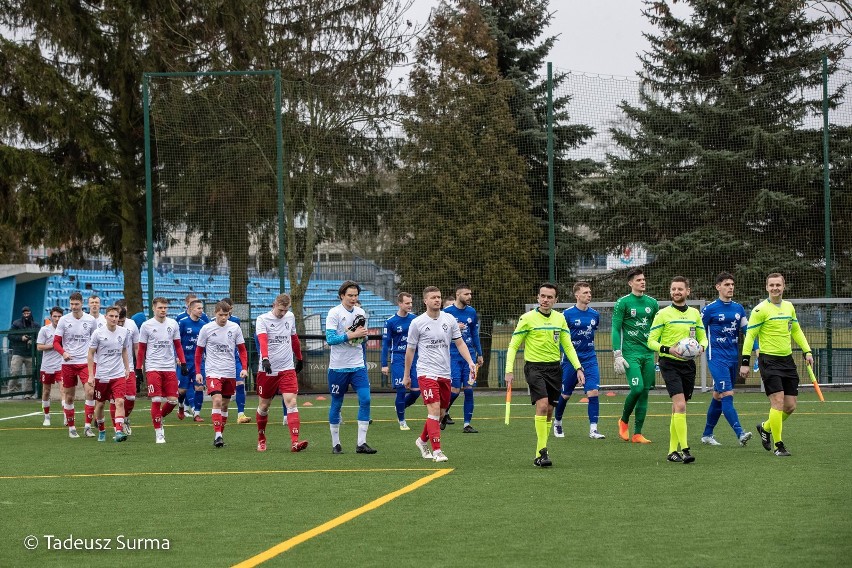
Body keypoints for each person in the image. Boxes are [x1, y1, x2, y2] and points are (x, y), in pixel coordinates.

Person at [505, 283, 585, 467]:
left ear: (556, 300)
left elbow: (568, 345)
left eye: (550, 297)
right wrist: (508, 370)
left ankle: (541, 452)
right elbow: (513, 345)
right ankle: (542, 452)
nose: (545, 300)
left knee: (549, 410)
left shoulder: (560, 319)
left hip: (554, 369)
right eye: (542, 296)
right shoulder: (527, 318)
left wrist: (578, 368)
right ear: (537, 297)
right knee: (541, 406)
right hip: (534, 368)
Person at [739, 273, 814, 457]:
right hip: (768, 360)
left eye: (778, 285)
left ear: (783, 286)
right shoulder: (759, 310)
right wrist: (745, 362)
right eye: (771, 285)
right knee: (778, 401)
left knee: (790, 406)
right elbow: (749, 337)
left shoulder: (789, 307)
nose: (775, 288)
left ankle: (765, 427)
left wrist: (807, 351)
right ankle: (778, 445)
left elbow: (795, 330)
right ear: (766, 287)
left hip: (787, 361)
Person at [405, 286, 476, 463]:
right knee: (434, 410)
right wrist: (407, 375)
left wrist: (470, 361)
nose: (437, 300)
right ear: (425, 301)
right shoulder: (417, 322)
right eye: (433, 297)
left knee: (442, 413)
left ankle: (421, 441)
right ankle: (437, 451)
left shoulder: (449, 319)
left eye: (438, 297)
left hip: (445, 373)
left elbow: (459, 343)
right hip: (426, 373)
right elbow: (410, 351)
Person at [647, 277, 708, 464]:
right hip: (669, 363)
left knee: (679, 408)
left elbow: (703, 337)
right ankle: (686, 449)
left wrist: (701, 348)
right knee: (680, 405)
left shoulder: (695, 314)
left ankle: (672, 451)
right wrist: (668, 349)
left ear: (687, 291)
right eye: (673, 289)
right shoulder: (662, 314)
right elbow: (651, 341)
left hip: (688, 365)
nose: (676, 292)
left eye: (680, 289)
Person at [700, 272, 753, 447]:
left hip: (732, 358)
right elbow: (698, 330)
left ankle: (707, 434)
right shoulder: (709, 309)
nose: (730, 287)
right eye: (727, 284)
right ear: (718, 287)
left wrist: (757, 349)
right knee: (727, 395)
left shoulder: (738, 309)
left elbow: (748, 332)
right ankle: (740, 433)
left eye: (732, 284)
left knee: (718, 395)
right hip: (716, 357)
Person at [325, 280, 376, 454]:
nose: (353, 298)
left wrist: (362, 337)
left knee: (366, 399)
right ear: (342, 296)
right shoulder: (334, 313)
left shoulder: (361, 312)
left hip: (358, 366)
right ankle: (336, 444)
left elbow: (363, 338)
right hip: (338, 367)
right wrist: (351, 334)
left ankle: (361, 443)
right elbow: (330, 339)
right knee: (337, 404)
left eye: (356, 295)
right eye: (350, 295)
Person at [254, 294, 307, 452]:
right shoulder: (262, 319)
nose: (283, 313)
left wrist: (299, 357)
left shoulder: (290, 317)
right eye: (280, 310)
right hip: (267, 369)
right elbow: (263, 339)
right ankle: (261, 438)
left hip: (287, 368)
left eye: (286, 310)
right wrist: (265, 358)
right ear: (274, 305)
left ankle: (295, 442)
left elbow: (294, 338)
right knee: (264, 405)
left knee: (291, 402)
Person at [553, 282, 606, 439]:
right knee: (565, 394)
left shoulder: (594, 315)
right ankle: (557, 422)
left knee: (593, 391)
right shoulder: (566, 315)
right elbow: (561, 339)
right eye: (585, 292)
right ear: (577, 295)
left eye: (589, 292)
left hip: (589, 357)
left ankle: (593, 429)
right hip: (570, 359)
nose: (589, 295)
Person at [612, 268, 658, 444]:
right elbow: (615, 329)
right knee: (637, 389)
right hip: (630, 354)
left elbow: (657, 328)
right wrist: (617, 353)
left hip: (648, 353)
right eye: (638, 280)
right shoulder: (623, 303)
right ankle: (623, 421)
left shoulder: (652, 303)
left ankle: (638, 433)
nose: (642, 282)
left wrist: (659, 350)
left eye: (643, 279)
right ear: (630, 283)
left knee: (645, 392)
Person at [196, 301, 248, 448]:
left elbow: (242, 350)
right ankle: (218, 434)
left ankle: (219, 435)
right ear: (215, 313)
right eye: (221, 315)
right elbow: (199, 352)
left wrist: (244, 368)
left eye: (226, 315)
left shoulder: (235, 327)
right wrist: (199, 372)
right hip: (213, 371)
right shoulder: (206, 329)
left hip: (230, 371)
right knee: (217, 401)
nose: (224, 318)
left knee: (224, 405)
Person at [137, 297, 188, 444]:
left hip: (169, 367)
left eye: (165, 307)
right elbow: (141, 349)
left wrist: (183, 363)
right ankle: (159, 433)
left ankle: (158, 418)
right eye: (160, 307)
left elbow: (178, 345)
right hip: (153, 367)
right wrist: (139, 368)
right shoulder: (146, 326)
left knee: (173, 400)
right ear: (154, 308)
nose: (163, 310)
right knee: (156, 399)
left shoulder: (173, 324)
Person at [53, 292, 97, 438]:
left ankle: (87, 426)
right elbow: (56, 342)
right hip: (68, 364)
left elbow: (95, 341)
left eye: (76, 304)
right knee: (69, 397)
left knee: (90, 392)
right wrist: (63, 353)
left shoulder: (90, 320)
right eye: (71, 304)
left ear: (82, 304)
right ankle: (71, 427)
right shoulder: (64, 320)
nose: (74, 307)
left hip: (85, 362)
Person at [441, 284, 484, 433]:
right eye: (466, 294)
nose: (469, 297)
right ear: (458, 295)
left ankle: (467, 424)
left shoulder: (471, 312)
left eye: (470, 294)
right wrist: (454, 328)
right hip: (452, 355)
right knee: (454, 389)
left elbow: (475, 334)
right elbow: (439, 333)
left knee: (469, 389)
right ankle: (444, 411)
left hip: (469, 356)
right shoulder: (446, 313)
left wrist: (480, 353)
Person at [87, 306, 132, 442]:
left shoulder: (124, 332)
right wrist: (91, 375)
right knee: (100, 405)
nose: (114, 319)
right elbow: (90, 353)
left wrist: (127, 367)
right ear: (105, 317)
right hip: (102, 375)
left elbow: (124, 350)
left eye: (116, 316)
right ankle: (101, 429)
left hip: (118, 374)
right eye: (111, 316)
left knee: (119, 402)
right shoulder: (98, 333)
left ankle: (118, 431)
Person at [381, 292, 419, 430]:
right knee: (401, 389)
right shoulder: (391, 322)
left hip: (414, 358)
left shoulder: (415, 319)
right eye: (407, 303)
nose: (410, 305)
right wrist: (384, 364)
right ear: (400, 303)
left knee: (416, 392)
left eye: (411, 302)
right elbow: (385, 344)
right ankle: (402, 421)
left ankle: (400, 407)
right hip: (397, 358)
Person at [221, 298, 251, 424]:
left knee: (240, 384)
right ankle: (220, 413)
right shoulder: (212, 323)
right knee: (222, 394)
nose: (228, 311)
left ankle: (241, 414)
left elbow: (239, 342)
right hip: (221, 361)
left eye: (230, 308)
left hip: (235, 358)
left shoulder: (236, 321)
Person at [178, 299, 208, 422]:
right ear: (191, 309)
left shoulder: (204, 325)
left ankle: (197, 414)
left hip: (198, 361)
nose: (201, 310)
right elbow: (176, 342)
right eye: (198, 308)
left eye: (202, 308)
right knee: (182, 390)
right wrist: (177, 357)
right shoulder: (182, 323)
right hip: (184, 361)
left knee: (199, 387)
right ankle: (180, 406)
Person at [36, 307, 64, 426]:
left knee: (64, 391)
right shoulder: (44, 330)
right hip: (47, 366)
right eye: (55, 316)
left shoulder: (65, 330)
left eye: (59, 316)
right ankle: (46, 416)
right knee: (46, 391)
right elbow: (39, 347)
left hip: (61, 365)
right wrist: (54, 345)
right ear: (51, 317)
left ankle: (66, 417)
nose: (57, 319)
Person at [9, 306, 38, 392]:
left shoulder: (35, 325)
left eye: (28, 313)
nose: (26, 315)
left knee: (30, 375)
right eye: (24, 313)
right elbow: (10, 335)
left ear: (30, 313)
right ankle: (11, 392)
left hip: (31, 353)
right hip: (18, 352)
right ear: (22, 314)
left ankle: (28, 393)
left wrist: (32, 340)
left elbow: (40, 337)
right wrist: (21, 338)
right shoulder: (16, 323)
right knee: (14, 373)